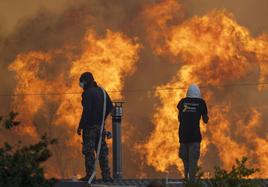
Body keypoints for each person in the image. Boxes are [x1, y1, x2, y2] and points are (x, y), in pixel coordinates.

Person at [77, 72, 113, 182]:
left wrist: (81, 126)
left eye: (82, 81)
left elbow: (86, 111)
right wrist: (102, 118)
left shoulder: (88, 93)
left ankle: (90, 176)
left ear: (86, 81)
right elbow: (110, 106)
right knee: (101, 151)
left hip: (90, 128)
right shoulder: (102, 91)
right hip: (100, 127)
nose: (81, 84)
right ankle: (106, 176)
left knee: (89, 151)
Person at [177, 84, 209, 182]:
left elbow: (179, 118)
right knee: (193, 161)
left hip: (183, 137)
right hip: (195, 138)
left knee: (185, 160)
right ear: (198, 94)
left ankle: (186, 179)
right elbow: (205, 120)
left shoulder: (182, 102)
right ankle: (192, 182)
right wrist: (205, 116)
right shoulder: (201, 102)